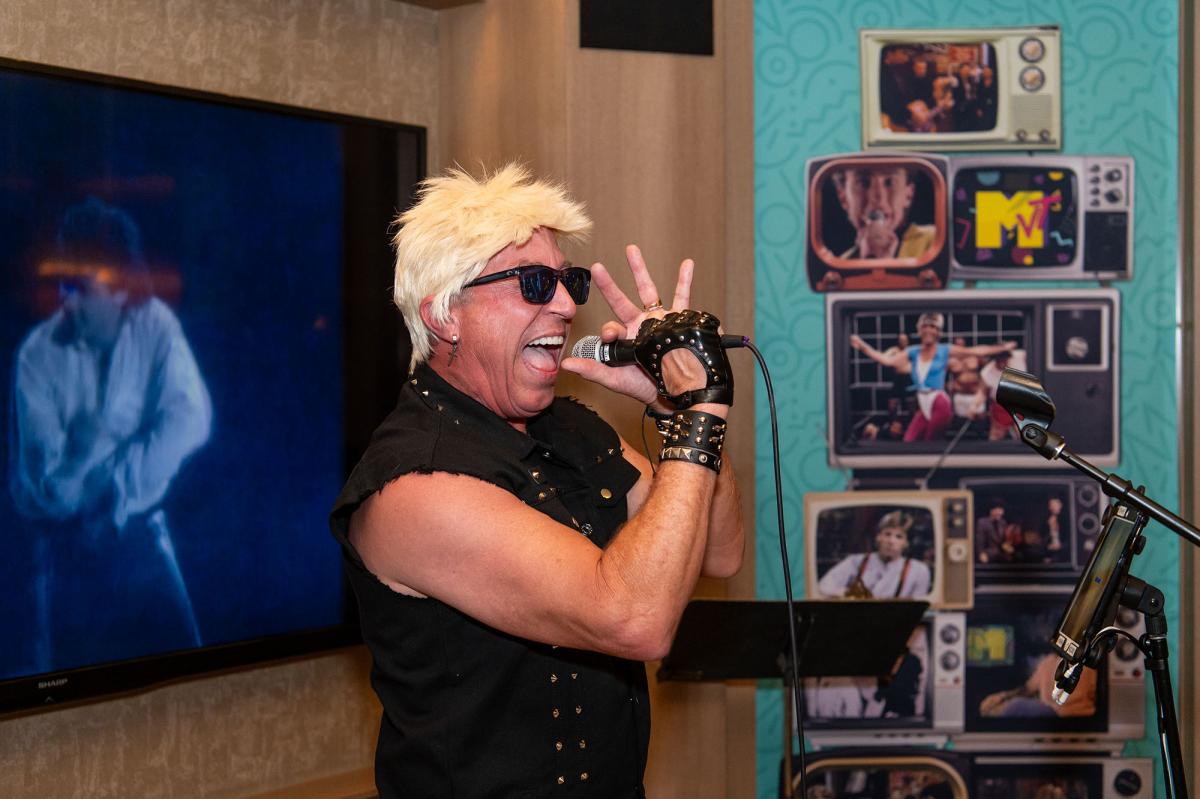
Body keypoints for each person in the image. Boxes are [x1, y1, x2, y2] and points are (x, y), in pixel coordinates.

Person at [328, 164, 745, 797]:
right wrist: (701, 411)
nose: (569, 305)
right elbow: (636, 619)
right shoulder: (415, 484)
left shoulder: (568, 425)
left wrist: (673, 410)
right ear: (445, 313)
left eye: (568, 282)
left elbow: (717, 550)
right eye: (533, 283)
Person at [9, 197, 212, 671]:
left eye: (80, 288)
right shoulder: (37, 356)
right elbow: (47, 493)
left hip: (142, 537)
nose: (66, 301)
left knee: (194, 678)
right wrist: (80, 459)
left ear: (120, 289)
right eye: (64, 285)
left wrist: (115, 478)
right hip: (67, 554)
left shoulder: (155, 325)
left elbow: (191, 419)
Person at [850, 313, 1016, 442]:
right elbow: (887, 361)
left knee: (931, 444)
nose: (929, 330)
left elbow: (975, 351)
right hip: (923, 404)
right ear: (920, 329)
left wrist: (1001, 348)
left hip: (939, 402)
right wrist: (863, 346)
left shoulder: (944, 350)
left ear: (938, 332)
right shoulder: (913, 351)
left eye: (933, 327)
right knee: (909, 441)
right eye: (925, 326)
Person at [817, 510, 930, 599]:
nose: (891, 541)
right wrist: (848, 594)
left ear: (906, 543)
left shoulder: (919, 570)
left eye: (899, 537)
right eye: (887, 534)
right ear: (878, 537)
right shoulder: (855, 561)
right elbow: (824, 586)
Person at [831, 166, 937, 261]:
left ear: (909, 195)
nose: (878, 198)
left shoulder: (936, 241)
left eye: (889, 182)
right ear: (843, 197)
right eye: (863, 183)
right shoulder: (839, 265)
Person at [975, 499, 1010, 564]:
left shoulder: (1003, 523)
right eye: (996, 510)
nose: (999, 513)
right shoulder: (982, 522)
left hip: (1000, 555)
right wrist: (981, 553)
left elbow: (1004, 541)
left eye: (1001, 510)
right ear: (991, 510)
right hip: (988, 554)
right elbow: (979, 541)